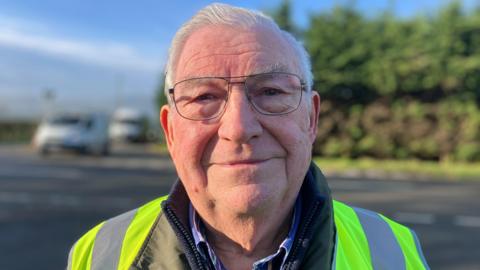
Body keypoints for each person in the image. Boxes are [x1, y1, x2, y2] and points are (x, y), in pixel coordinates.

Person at [67, 3, 429, 270]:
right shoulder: (98, 253)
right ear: (171, 131)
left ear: (311, 118)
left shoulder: (394, 250)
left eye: (271, 92)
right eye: (204, 97)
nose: (239, 128)